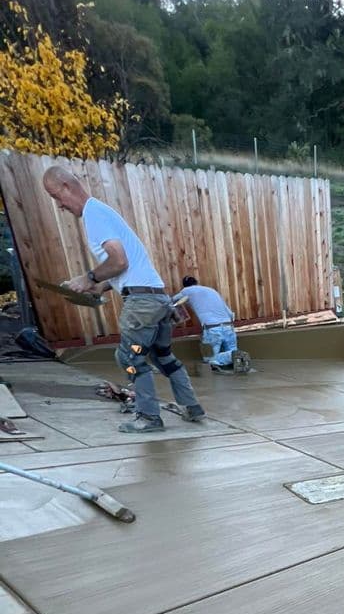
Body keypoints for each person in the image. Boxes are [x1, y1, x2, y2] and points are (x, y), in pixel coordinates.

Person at [41, 167, 206, 434]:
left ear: (67, 187)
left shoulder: (93, 216)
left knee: (129, 357)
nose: (59, 205)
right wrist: (100, 286)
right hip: (158, 300)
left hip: (141, 306)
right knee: (163, 356)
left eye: (56, 196)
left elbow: (119, 260)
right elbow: (128, 268)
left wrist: (88, 278)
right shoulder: (103, 212)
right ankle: (192, 407)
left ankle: (149, 417)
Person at [174, 275, 238, 370]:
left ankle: (221, 359)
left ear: (185, 286)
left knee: (209, 359)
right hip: (229, 327)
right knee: (233, 352)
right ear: (196, 282)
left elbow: (172, 301)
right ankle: (233, 356)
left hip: (212, 329)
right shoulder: (212, 290)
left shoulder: (186, 291)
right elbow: (230, 314)